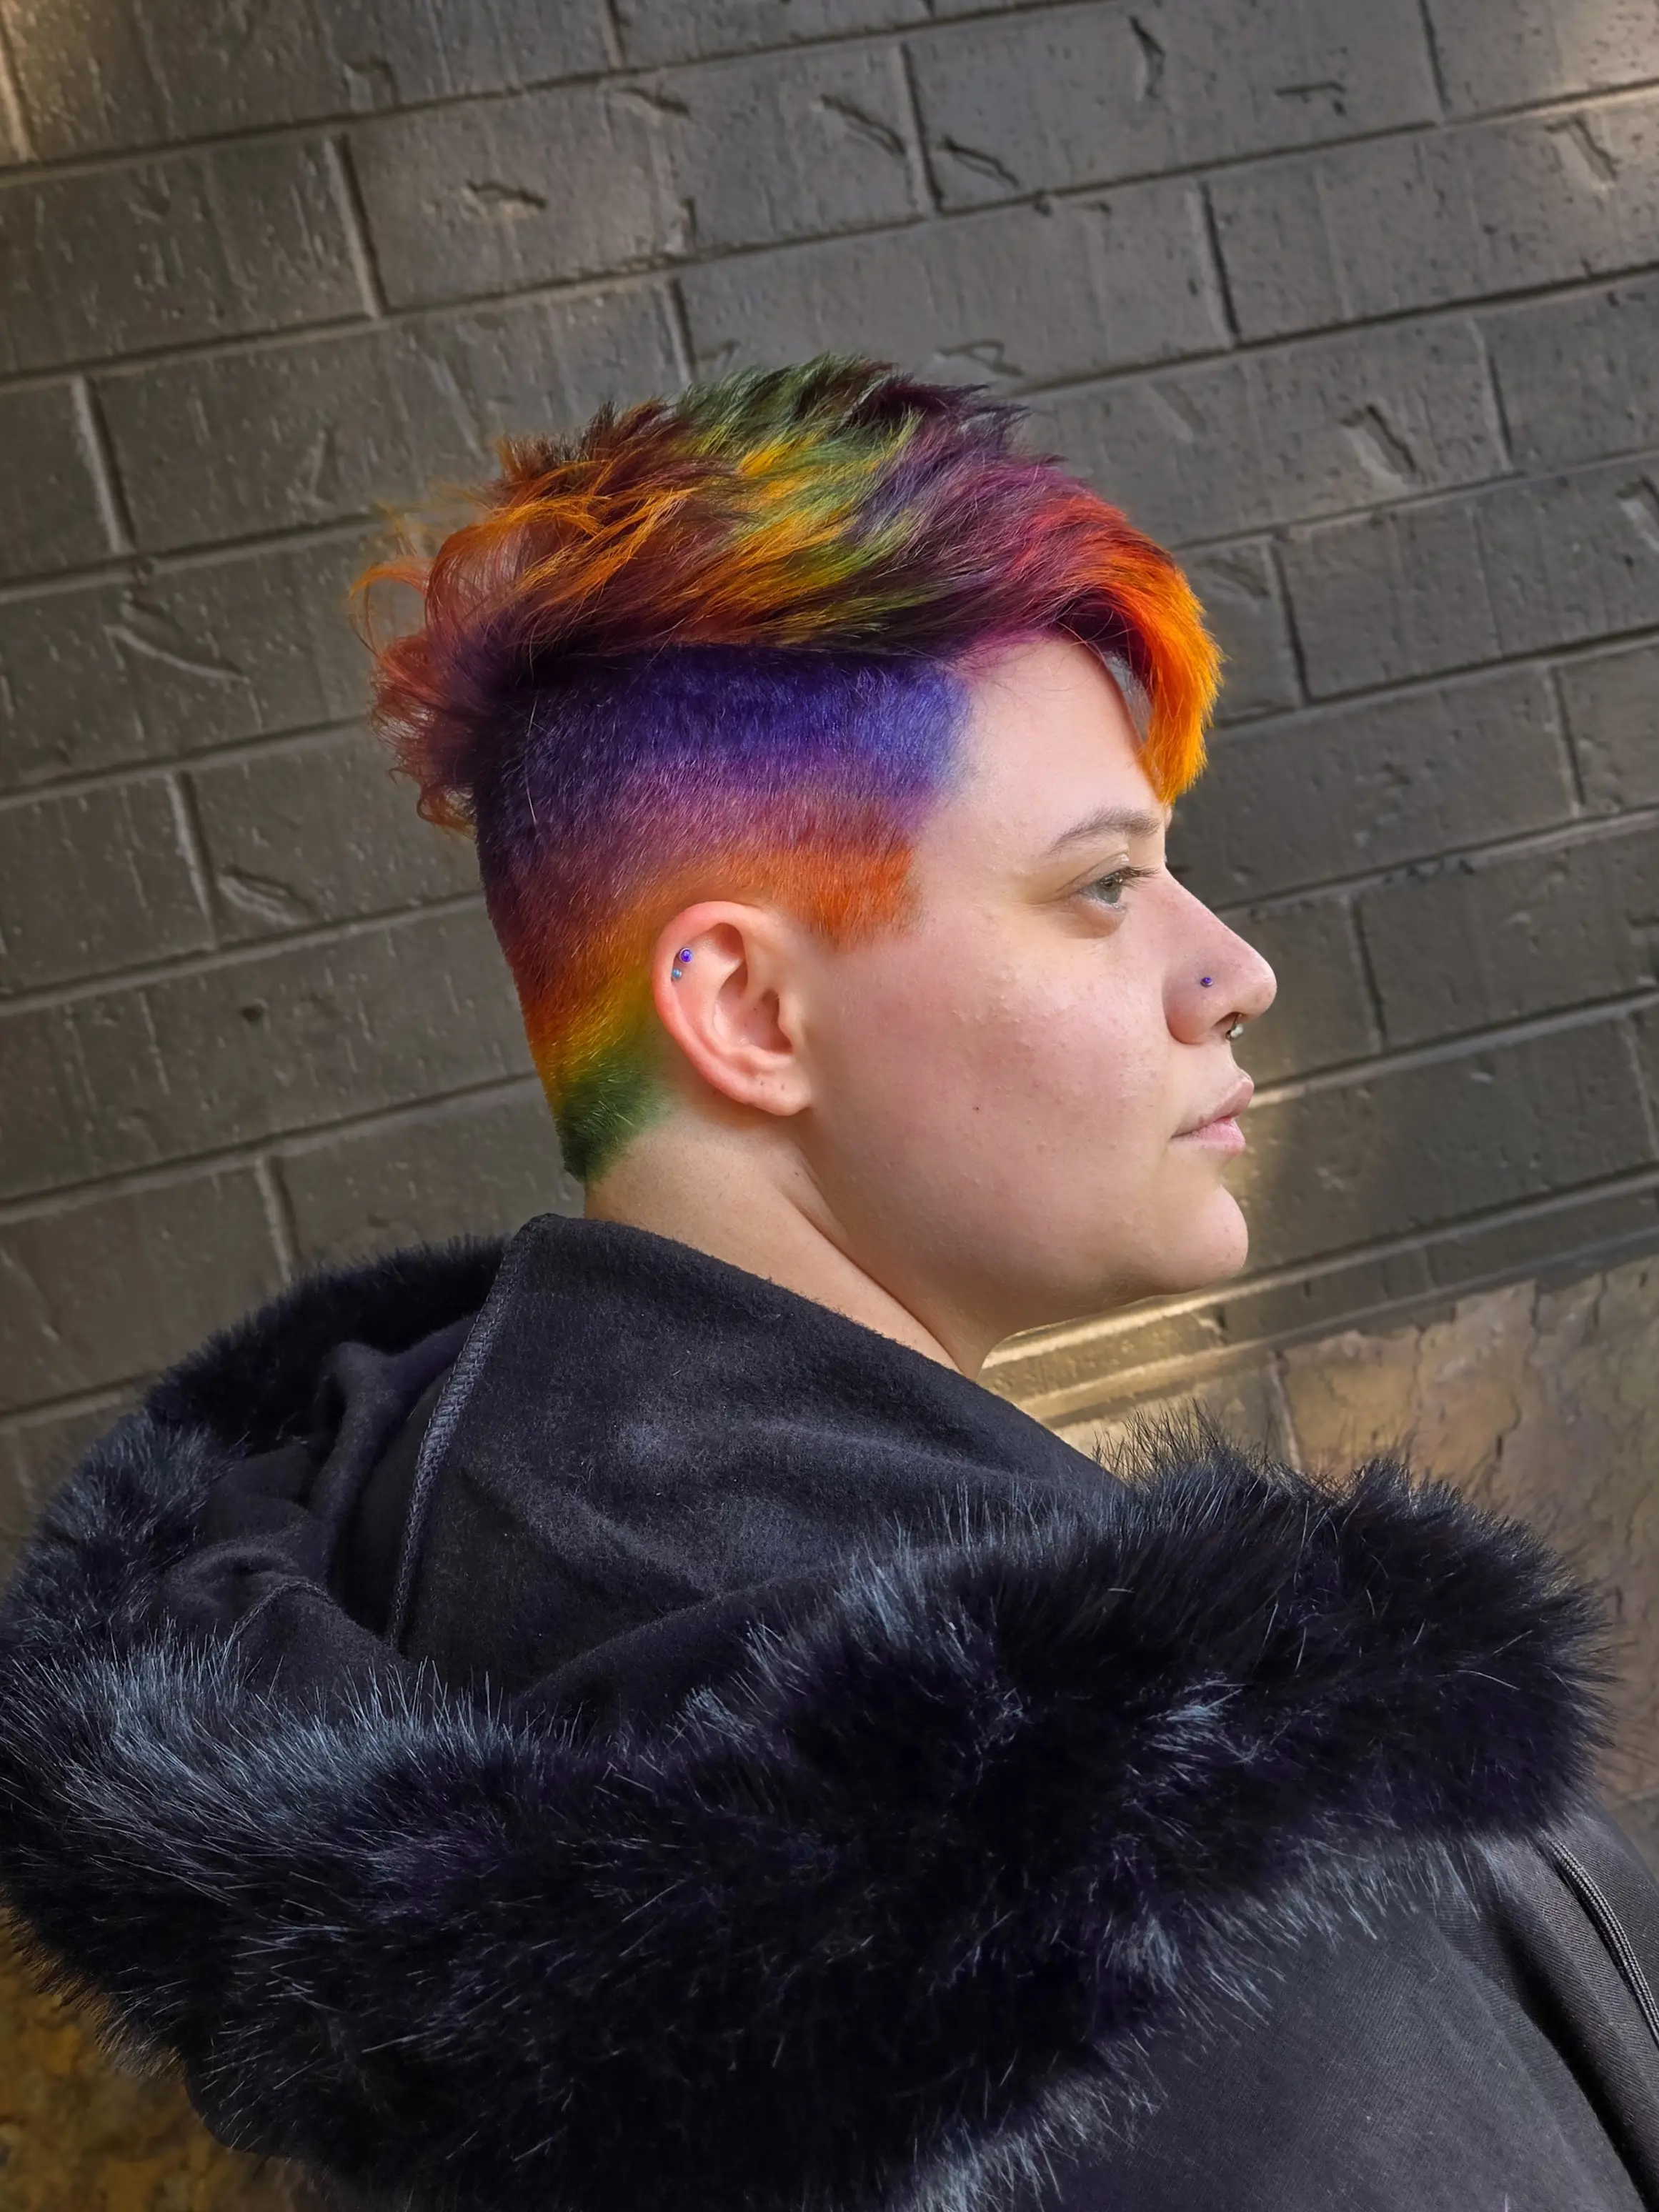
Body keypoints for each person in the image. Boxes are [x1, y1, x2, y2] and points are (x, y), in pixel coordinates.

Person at [1, 359, 1655, 2212]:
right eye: (1103, 888)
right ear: (750, 1014)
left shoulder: (402, 1577)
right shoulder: (1160, 1906)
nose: (1233, 970)